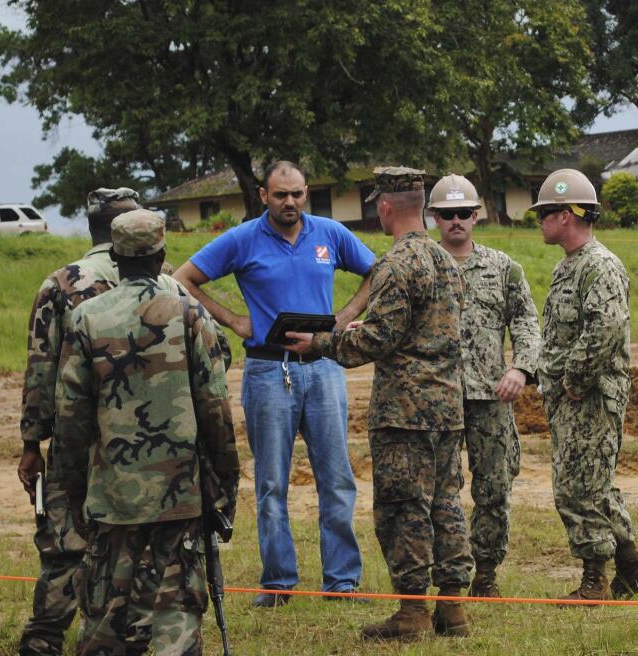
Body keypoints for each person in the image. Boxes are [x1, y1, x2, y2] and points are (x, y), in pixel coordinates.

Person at [285, 167, 473, 641]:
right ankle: (453, 610)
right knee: (446, 503)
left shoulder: (397, 265)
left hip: (405, 412)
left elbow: (380, 338)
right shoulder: (447, 261)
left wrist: (321, 343)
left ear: (387, 207)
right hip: (448, 407)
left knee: (403, 508)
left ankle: (411, 612)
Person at [175, 161, 374, 605]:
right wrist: (233, 321)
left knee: (337, 477)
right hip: (268, 370)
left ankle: (342, 581)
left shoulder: (330, 233)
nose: (291, 203)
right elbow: (182, 278)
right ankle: (278, 583)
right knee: (271, 482)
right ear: (264, 196)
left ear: (307, 194)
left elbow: (375, 273)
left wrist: (341, 320)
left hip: (323, 367)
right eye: (281, 195)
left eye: (298, 194)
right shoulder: (243, 238)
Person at [52, 209, 239, 655]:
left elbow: (69, 417)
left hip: (113, 497)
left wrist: (73, 490)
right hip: (180, 496)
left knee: (106, 615)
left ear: (115, 257)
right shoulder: (190, 313)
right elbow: (216, 408)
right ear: (161, 255)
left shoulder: (86, 318)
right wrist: (224, 485)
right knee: (176, 608)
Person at [17, 187, 142, 656]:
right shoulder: (162, 278)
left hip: (76, 437)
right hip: (141, 439)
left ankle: (46, 636)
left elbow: (41, 370)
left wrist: (33, 443)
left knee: (67, 539)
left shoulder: (60, 284)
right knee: (133, 539)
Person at [533, 169, 638, 603]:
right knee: (595, 483)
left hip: (589, 396)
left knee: (577, 487)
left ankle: (594, 580)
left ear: (567, 215)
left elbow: (606, 327)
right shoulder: (571, 264)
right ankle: (633, 567)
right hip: (573, 397)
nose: (539, 221)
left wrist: (574, 378)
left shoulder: (599, 265)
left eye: (544, 213)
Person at [430, 174, 540, 598]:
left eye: (463, 213)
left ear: (476, 215)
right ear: (435, 218)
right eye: (447, 214)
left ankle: (487, 574)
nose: (456, 221)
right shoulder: (424, 265)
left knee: (493, 487)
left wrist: (522, 369)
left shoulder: (503, 267)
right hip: (436, 398)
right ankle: (448, 574)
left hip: (491, 397)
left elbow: (528, 323)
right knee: (441, 490)